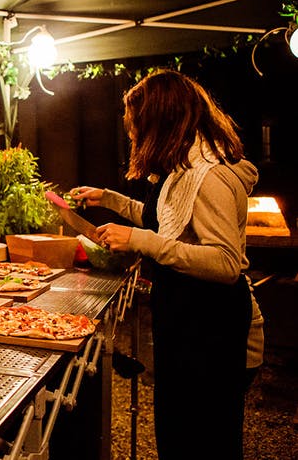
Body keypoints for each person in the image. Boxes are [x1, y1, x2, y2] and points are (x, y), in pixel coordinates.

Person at [70, 69, 263, 460]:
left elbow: (225, 263)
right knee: (177, 439)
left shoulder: (210, 177)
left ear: (162, 121)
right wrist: (108, 198)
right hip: (189, 325)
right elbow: (164, 219)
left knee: (205, 446)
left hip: (214, 333)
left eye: (137, 124)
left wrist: (143, 242)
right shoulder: (183, 168)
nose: (132, 134)